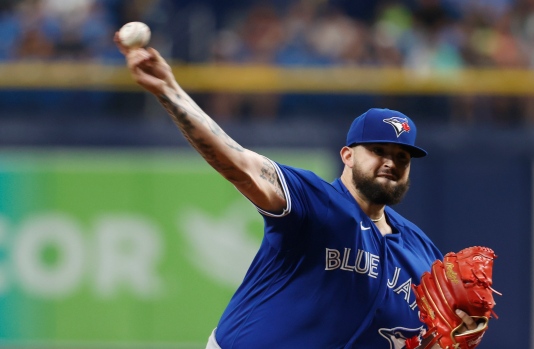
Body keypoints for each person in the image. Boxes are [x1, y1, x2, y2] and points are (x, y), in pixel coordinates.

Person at [115, 33, 481, 349]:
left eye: (402, 156)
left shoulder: (423, 254)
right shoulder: (315, 202)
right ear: (348, 155)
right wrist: (169, 90)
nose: (391, 162)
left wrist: (461, 333)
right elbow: (237, 163)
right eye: (379, 151)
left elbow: (432, 335)